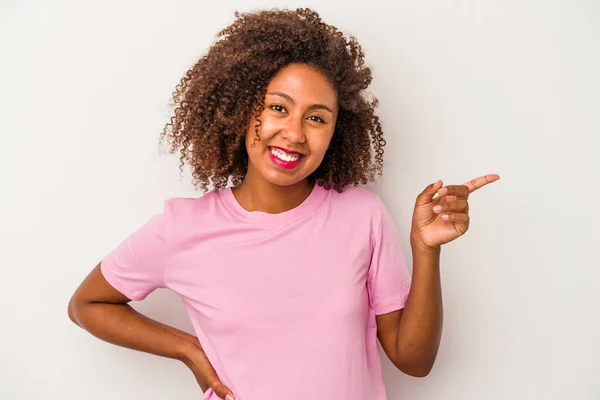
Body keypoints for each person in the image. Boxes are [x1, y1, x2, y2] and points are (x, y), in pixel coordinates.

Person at [67, 7, 499, 400]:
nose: (294, 133)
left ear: (335, 133)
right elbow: (87, 305)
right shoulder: (183, 227)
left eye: (316, 117)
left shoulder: (362, 215)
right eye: (278, 108)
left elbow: (414, 361)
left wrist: (426, 250)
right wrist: (189, 350)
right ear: (241, 110)